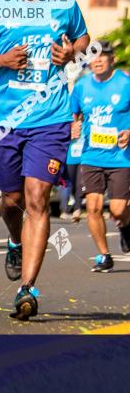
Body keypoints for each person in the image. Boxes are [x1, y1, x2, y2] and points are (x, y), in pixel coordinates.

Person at [0, 0, 90, 320]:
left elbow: (85, 40)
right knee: (11, 202)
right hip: (4, 121)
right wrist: (1, 59)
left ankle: (28, 289)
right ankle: (13, 240)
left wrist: (71, 53)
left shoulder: (65, 4)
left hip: (50, 119)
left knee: (38, 199)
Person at [69, 40, 130, 272]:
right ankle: (104, 255)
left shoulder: (125, 83)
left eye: (103, 56)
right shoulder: (82, 86)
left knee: (117, 209)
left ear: (112, 59)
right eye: (93, 57)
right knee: (93, 207)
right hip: (91, 156)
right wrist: (73, 125)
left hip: (121, 157)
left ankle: (126, 224)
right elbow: (73, 115)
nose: (98, 61)